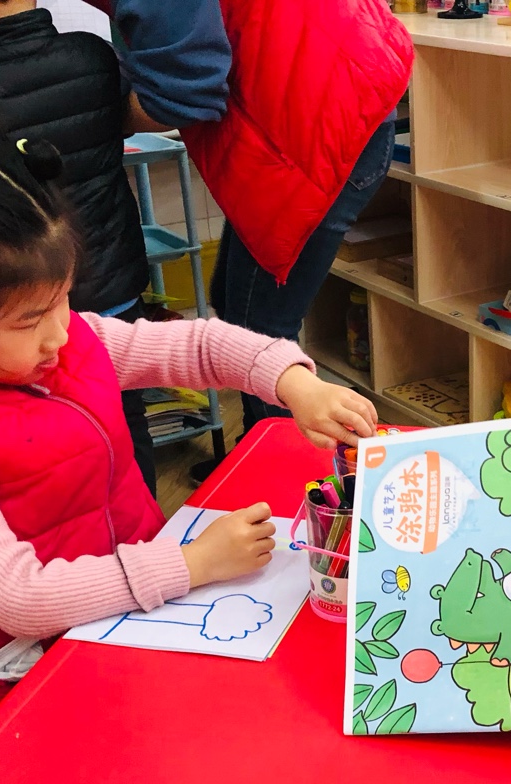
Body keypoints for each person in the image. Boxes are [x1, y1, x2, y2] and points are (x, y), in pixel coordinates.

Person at [0, 129, 376, 784]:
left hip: (127, 617)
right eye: (30, 319)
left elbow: (196, 345)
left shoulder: (65, 344)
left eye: (64, 298)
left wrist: (291, 380)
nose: (61, 332)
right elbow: (20, 599)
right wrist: (191, 565)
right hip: (24, 679)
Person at [85, 0, 412, 473]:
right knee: (235, 302)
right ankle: (260, 454)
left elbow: (187, 91)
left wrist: (82, 113)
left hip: (321, 117)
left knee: (261, 327)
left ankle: (283, 478)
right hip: (327, 90)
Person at [0, 0, 160, 494]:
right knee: (125, 409)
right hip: (111, 275)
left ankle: (74, 521)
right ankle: (146, 520)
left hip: (30, 295)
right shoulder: (94, 56)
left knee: (43, 418)